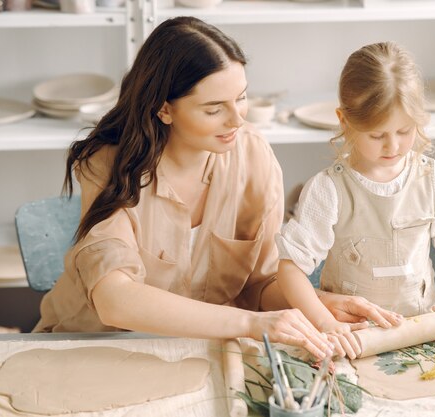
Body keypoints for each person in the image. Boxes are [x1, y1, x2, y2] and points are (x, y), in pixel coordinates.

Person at [32, 17, 379, 360]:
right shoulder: (109, 165)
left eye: (241, 98)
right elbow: (114, 300)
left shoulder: (254, 156)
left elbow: (260, 286)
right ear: (164, 109)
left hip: (196, 350)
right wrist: (249, 323)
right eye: (214, 109)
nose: (237, 119)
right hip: (92, 347)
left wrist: (317, 303)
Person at [276, 42, 435, 359]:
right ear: (345, 121)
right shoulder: (328, 189)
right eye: (377, 135)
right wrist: (325, 322)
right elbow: (289, 270)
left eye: (404, 130)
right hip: (352, 338)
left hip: (420, 332)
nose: (394, 145)